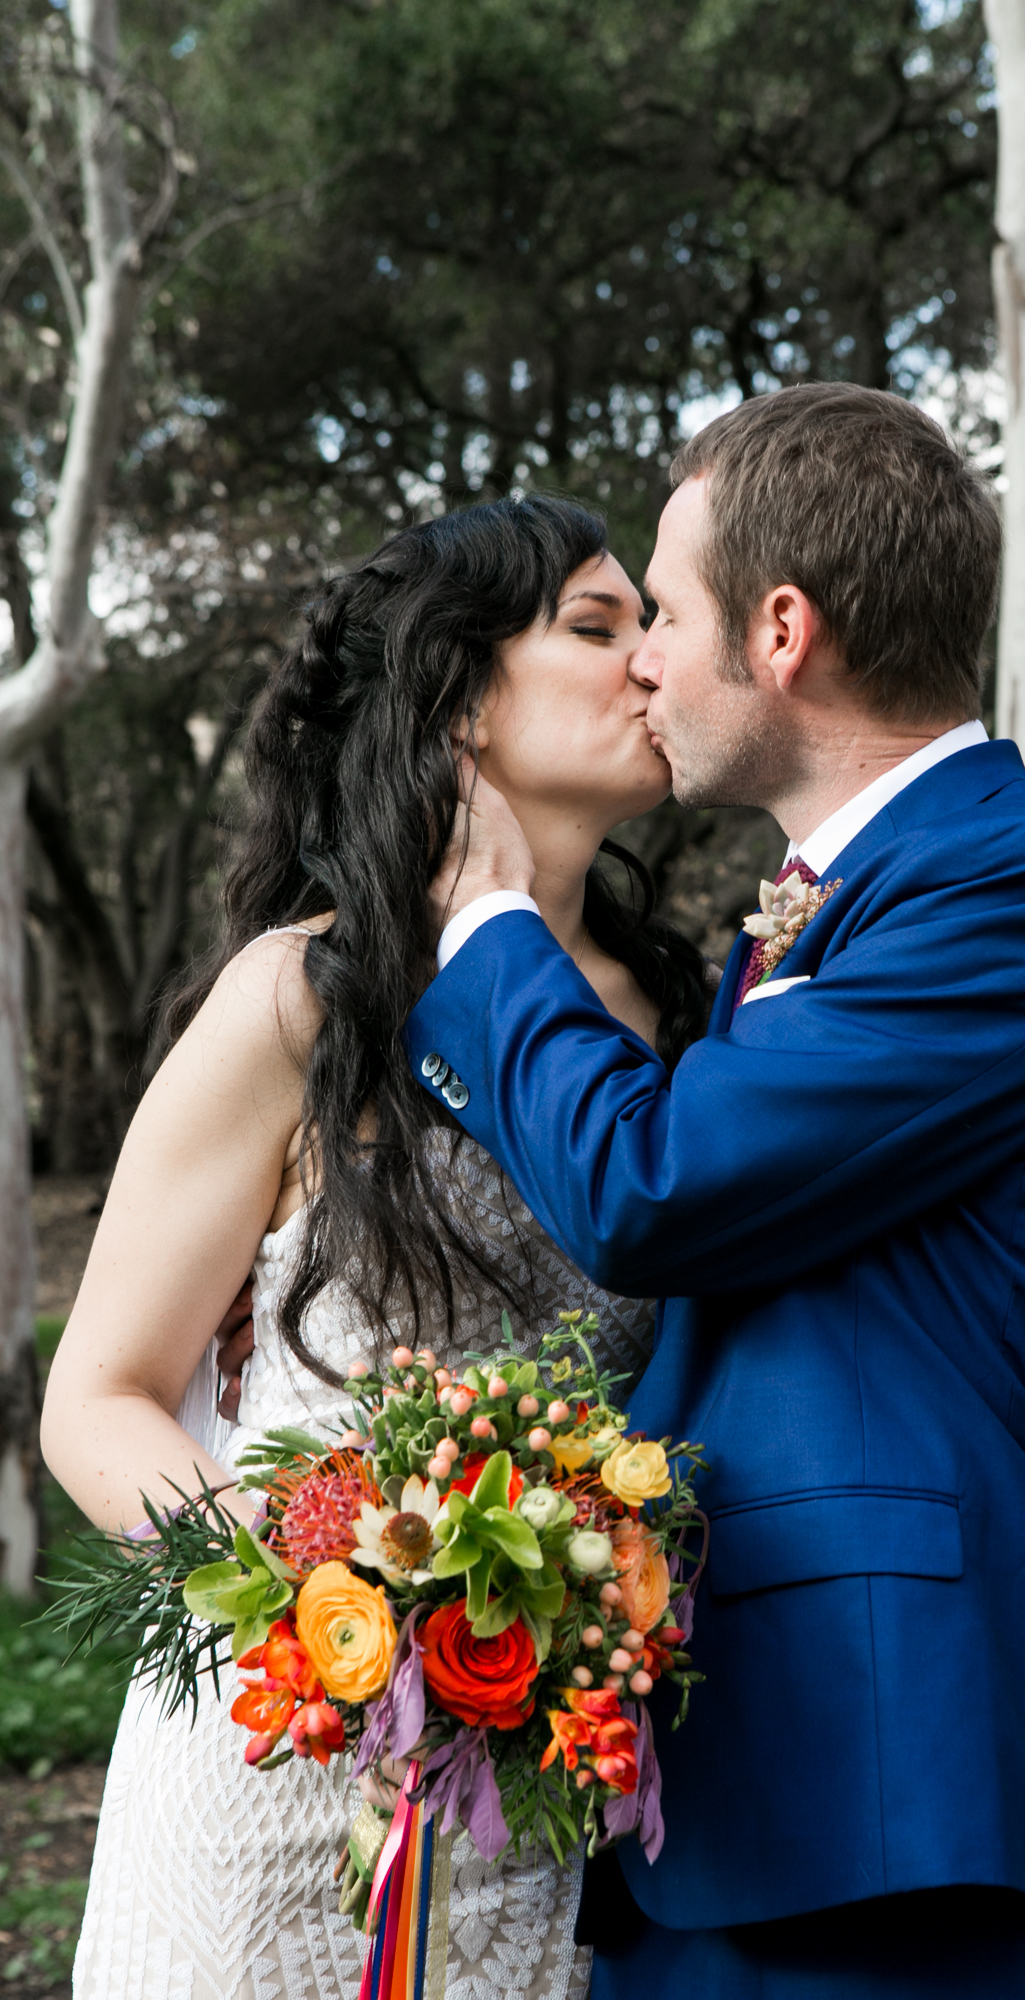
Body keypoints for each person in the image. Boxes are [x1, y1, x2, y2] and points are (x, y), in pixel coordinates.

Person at [401, 384, 1025, 1999]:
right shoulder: (824, 908)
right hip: (742, 1779)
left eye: (664, 618)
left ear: (779, 631)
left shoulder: (1015, 877)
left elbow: (656, 1187)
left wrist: (485, 926)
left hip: (899, 1788)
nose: (639, 662)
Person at [43, 496, 712, 2000]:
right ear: (461, 695)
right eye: (599, 631)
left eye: (652, 630)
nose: (650, 668)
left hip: (539, 1786)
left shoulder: (680, 1019)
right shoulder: (302, 996)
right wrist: (331, 1613)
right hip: (281, 1750)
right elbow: (100, 1394)